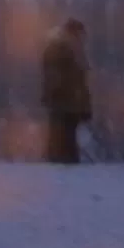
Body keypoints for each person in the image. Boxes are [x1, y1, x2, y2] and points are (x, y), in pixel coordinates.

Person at [40, 18, 93, 164]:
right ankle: (60, 161)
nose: (81, 38)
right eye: (79, 34)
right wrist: (56, 93)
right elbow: (54, 76)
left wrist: (84, 105)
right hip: (63, 101)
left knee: (68, 134)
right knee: (61, 134)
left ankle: (66, 161)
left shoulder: (74, 51)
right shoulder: (59, 50)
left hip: (70, 102)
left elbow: (81, 81)